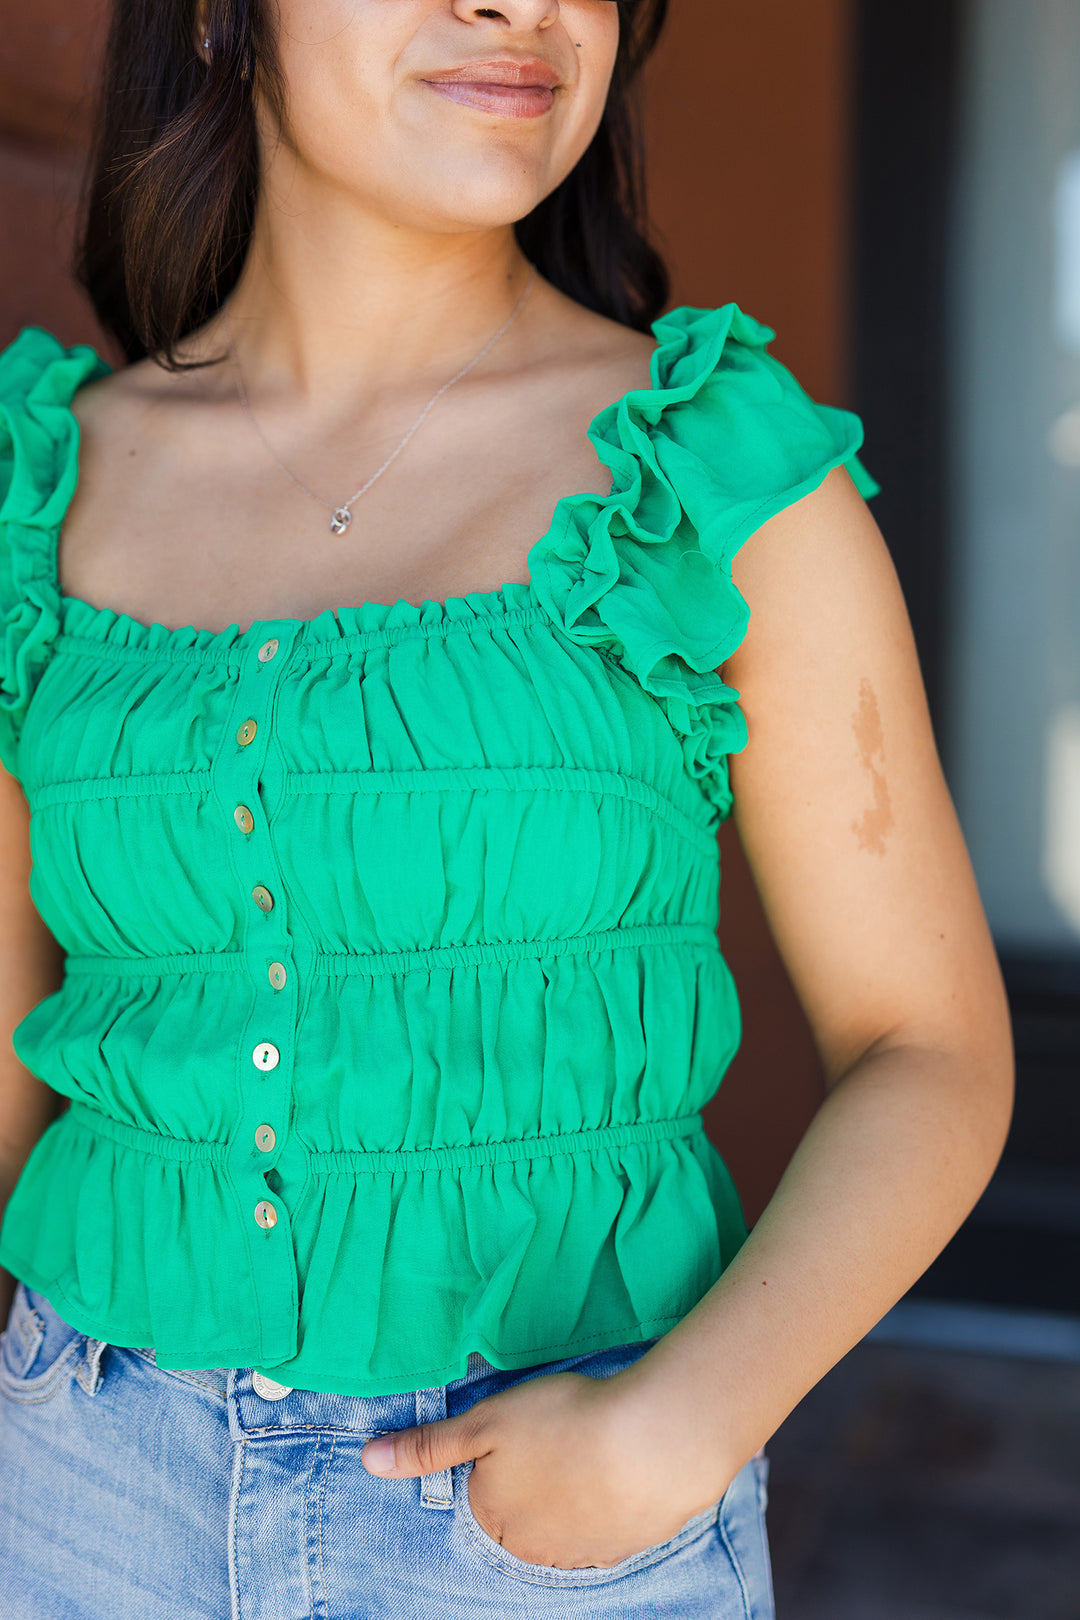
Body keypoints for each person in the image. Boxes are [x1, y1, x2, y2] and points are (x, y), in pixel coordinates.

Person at [0, 1, 1013, 1616]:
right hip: (76, 1492)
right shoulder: (37, 489)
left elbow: (933, 1054)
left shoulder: (711, 478)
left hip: (543, 1529)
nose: (518, 4)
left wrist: (677, 1431)